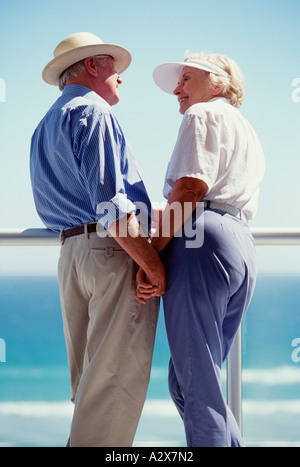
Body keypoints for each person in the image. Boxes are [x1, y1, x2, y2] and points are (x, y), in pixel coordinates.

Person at [30, 32, 166, 447]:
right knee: (112, 388)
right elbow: (110, 208)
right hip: (110, 253)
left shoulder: (45, 124)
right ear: (91, 66)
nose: (121, 78)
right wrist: (152, 263)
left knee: (90, 386)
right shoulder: (94, 113)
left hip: (71, 254)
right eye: (114, 67)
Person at [136, 51, 265, 447]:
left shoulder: (202, 115)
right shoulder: (245, 127)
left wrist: (153, 253)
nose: (177, 89)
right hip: (239, 242)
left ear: (218, 83)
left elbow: (192, 188)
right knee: (188, 379)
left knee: (196, 381)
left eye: (187, 79)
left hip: (202, 241)